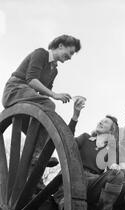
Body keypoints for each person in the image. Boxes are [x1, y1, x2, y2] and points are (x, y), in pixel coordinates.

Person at [2, 34, 82, 167]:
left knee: (42, 130)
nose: (70, 57)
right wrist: (54, 95)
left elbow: (45, 90)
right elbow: (32, 80)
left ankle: (35, 171)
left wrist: (57, 95)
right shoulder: (41, 54)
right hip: (15, 90)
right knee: (47, 104)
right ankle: (37, 154)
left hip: (28, 97)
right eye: (71, 52)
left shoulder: (54, 70)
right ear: (61, 46)